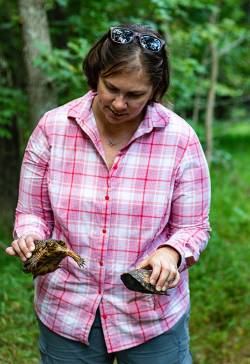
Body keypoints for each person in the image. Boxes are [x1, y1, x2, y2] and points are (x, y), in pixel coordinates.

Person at [6, 24, 211, 363]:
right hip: (67, 310)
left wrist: (170, 253)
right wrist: (29, 235)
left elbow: (194, 227)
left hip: (150, 318)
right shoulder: (53, 128)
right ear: (96, 75)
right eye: (111, 88)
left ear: (155, 90)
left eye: (134, 95)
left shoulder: (180, 140)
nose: (118, 103)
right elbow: (32, 213)